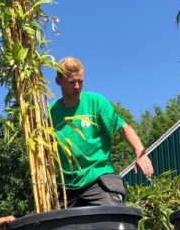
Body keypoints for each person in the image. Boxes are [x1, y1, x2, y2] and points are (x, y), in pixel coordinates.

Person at [50, 57, 154, 207]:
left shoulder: (96, 102)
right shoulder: (49, 113)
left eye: (81, 81)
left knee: (114, 218)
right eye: (72, 82)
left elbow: (123, 128)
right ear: (58, 82)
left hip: (97, 176)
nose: (77, 86)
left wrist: (140, 152)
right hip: (64, 185)